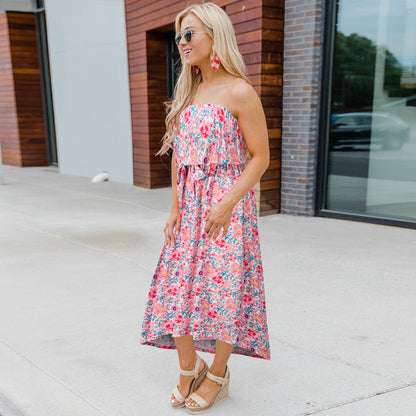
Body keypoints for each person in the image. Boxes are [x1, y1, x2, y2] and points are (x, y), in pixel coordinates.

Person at [140, 2, 271, 413]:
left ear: (214, 35)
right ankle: (187, 367)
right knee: (176, 290)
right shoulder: (190, 91)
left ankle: (217, 375)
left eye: (189, 33)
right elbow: (182, 159)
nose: (182, 42)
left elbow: (260, 157)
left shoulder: (239, 91)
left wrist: (227, 205)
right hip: (190, 207)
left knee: (223, 292)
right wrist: (175, 207)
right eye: (179, 35)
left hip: (227, 210)